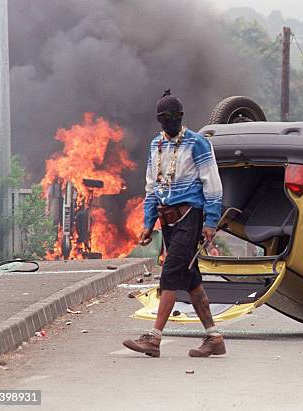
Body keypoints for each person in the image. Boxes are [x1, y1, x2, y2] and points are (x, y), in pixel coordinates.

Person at [123, 89, 225, 358]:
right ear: (159, 119)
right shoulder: (155, 146)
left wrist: (210, 222)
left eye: (175, 116)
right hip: (166, 220)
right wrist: (148, 222)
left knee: (170, 273)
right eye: (165, 117)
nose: (170, 121)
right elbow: (152, 187)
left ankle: (154, 339)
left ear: (182, 116)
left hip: (190, 216)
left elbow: (213, 186)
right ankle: (214, 338)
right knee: (190, 280)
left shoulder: (198, 144)